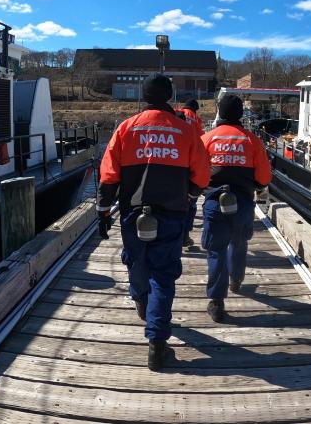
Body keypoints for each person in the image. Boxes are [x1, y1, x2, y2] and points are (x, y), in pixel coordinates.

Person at [97, 73, 210, 370]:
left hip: (133, 212)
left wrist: (103, 211)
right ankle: (157, 345)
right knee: (162, 275)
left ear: (144, 96)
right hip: (172, 214)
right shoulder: (185, 131)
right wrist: (190, 195)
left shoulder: (126, 128)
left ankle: (140, 301)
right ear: (170, 95)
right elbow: (202, 173)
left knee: (136, 261)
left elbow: (109, 175)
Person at [199, 94, 272, 322]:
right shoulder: (252, 141)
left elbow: (197, 173)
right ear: (241, 114)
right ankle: (236, 280)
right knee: (239, 243)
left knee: (216, 249)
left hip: (214, 201)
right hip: (242, 203)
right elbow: (263, 177)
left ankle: (217, 302)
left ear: (219, 112)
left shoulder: (207, 139)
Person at [176, 99, 205, 248]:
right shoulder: (195, 118)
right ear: (195, 109)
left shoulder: (178, 113)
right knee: (190, 202)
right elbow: (201, 139)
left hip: (173, 159)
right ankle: (185, 235)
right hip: (190, 160)